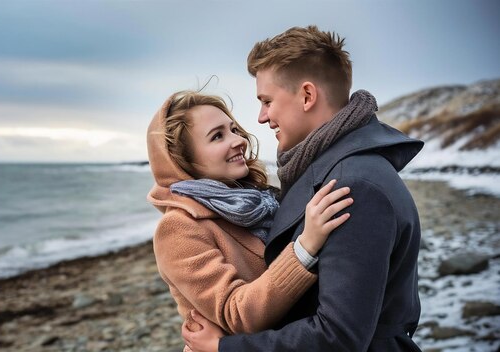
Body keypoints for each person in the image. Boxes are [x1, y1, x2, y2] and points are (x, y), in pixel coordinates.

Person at [182, 25, 424, 351]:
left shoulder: (352, 187)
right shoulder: (333, 169)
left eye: (267, 101)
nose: (261, 117)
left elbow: (338, 338)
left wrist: (224, 348)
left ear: (307, 96)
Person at [146, 90, 353, 339]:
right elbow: (237, 315)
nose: (238, 140)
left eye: (233, 129)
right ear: (183, 160)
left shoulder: (260, 199)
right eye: (217, 136)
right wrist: (304, 248)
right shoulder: (179, 228)